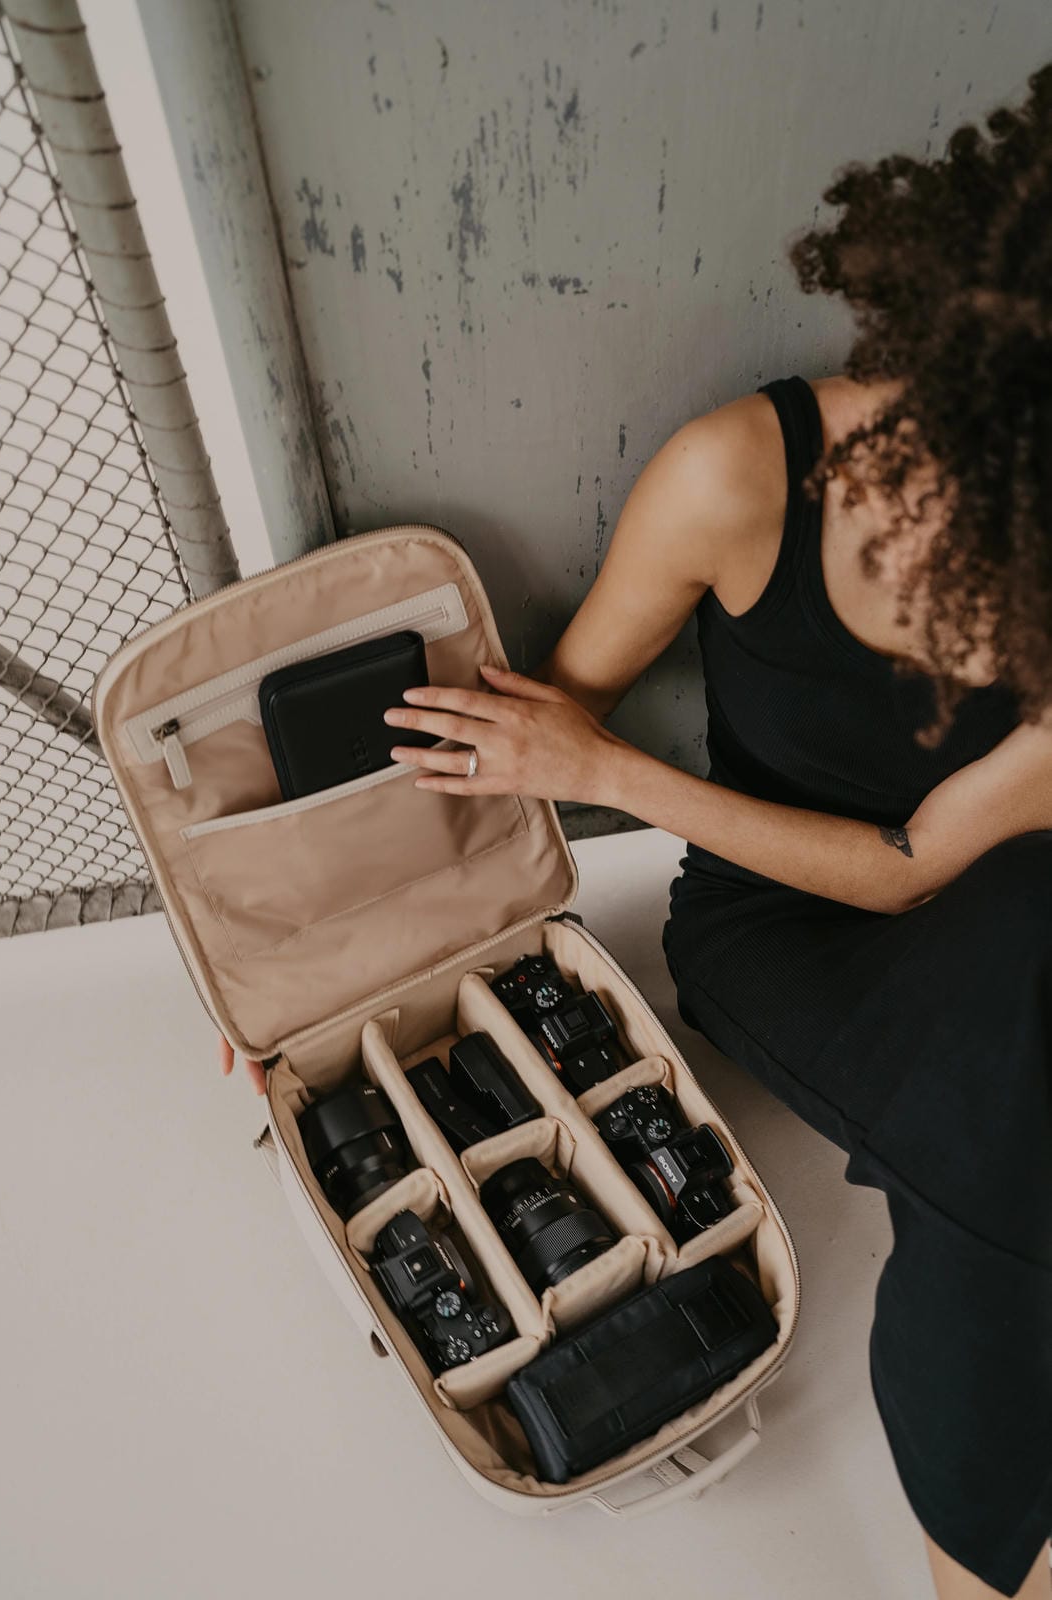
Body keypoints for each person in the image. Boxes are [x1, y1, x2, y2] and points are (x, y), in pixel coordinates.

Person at [221, 63, 1052, 1600]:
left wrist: (606, 762)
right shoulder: (738, 477)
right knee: (1016, 1142)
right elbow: (531, 738)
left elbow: (930, 861)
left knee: (1010, 1086)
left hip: (982, 906)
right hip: (782, 931)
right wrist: (311, 968)